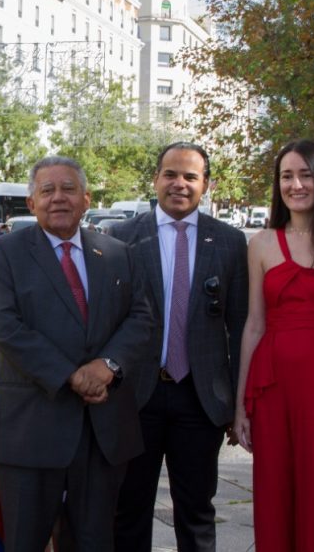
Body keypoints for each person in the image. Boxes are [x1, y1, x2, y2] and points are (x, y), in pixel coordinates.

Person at [0, 155, 156, 552]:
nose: (58, 198)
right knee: (24, 542)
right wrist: (72, 375)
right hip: (31, 429)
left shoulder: (117, 253)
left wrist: (107, 366)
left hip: (103, 430)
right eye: (47, 190)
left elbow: (141, 317)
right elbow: (6, 327)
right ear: (31, 203)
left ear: (87, 198)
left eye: (68, 188)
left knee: (94, 542)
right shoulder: (3, 253)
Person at [110, 141, 249, 552]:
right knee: (128, 510)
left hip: (201, 398)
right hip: (136, 396)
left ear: (206, 184)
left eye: (190, 176)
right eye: (170, 174)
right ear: (155, 179)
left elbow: (240, 325)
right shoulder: (122, 238)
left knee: (197, 512)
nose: (179, 184)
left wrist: (238, 404)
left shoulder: (229, 242)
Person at [231, 140, 314, 551]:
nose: (296, 184)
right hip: (270, 388)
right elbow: (253, 325)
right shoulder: (261, 243)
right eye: (287, 176)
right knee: (273, 496)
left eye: (306, 174)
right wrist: (240, 406)